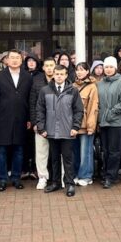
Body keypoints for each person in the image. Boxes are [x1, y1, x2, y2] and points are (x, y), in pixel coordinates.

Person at [35, 65, 84, 197]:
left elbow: (78, 111)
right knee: (54, 159)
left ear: (66, 75)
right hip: (51, 131)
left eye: (62, 74)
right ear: (53, 75)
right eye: (57, 74)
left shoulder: (73, 91)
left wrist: (75, 127)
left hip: (67, 131)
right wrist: (41, 127)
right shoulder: (45, 90)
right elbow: (40, 110)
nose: (59, 76)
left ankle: (69, 184)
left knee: (68, 159)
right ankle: (55, 183)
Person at [0, 50, 33, 192]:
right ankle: (3, 179)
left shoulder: (27, 77)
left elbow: (30, 99)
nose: (14, 60)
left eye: (17, 58)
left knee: (18, 150)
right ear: (6, 60)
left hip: (21, 119)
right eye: (12, 58)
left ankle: (16, 178)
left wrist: (29, 118)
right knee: (2, 150)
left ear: (21, 60)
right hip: (2, 120)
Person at [96, 57, 121, 189]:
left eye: (111, 67)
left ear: (115, 68)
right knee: (105, 150)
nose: (108, 69)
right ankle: (106, 173)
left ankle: (111, 176)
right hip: (103, 122)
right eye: (106, 67)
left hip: (115, 122)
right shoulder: (100, 84)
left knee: (114, 151)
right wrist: (100, 116)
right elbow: (97, 102)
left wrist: (111, 112)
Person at [30, 57, 56, 190]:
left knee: (58, 152)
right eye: (47, 66)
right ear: (43, 68)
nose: (50, 68)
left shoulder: (61, 81)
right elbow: (32, 103)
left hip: (57, 123)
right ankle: (42, 177)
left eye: (52, 65)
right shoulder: (37, 82)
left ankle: (58, 177)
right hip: (41, 122)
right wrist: (35, 122)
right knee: (41, 152)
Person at [73, 62, 99, 186]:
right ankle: (77, 174)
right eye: (77, 70)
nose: (79, 72)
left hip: (85, 125)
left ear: (87, 71)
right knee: (75, 152)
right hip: (74, 126)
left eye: (82, 69)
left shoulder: (92, 87)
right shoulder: (72, 86)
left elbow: (93, 108)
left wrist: (91, 126)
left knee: (86, 152)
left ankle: (86, 176)